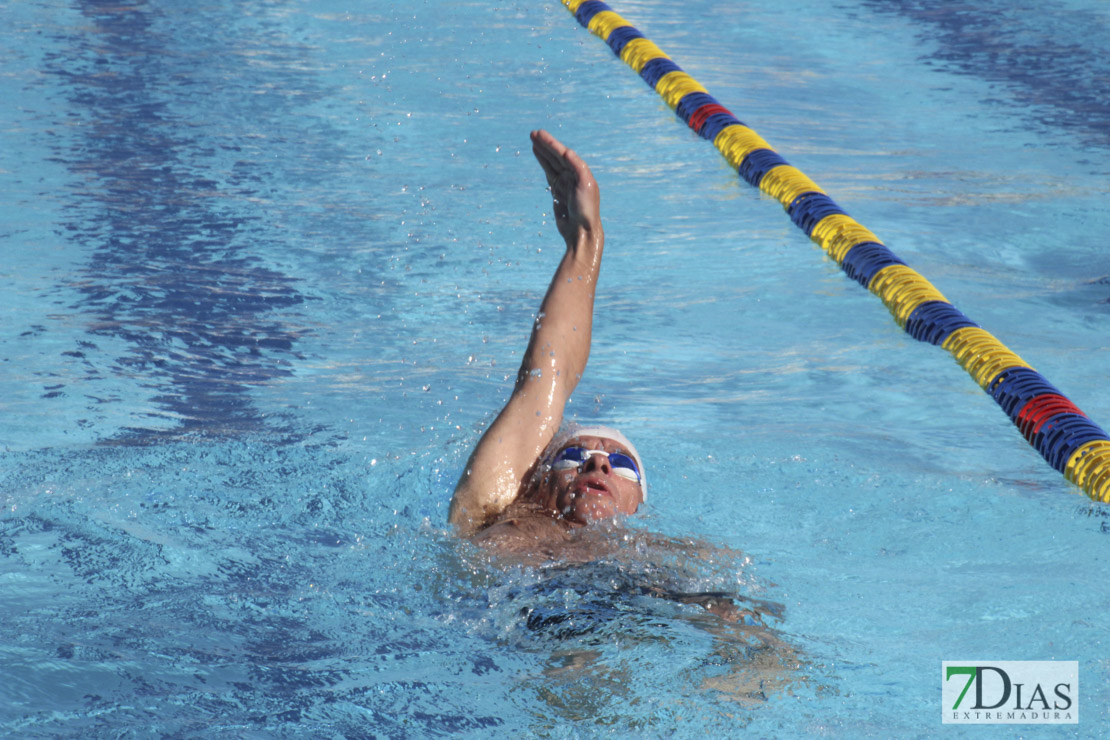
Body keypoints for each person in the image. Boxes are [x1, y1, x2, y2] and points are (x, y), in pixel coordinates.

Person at [449, 129, 647, 552]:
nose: (598, 463)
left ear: (639, 508)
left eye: (623, 464)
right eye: (571, 457)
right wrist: (585, 242)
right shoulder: (492, 519)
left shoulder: (669, 561)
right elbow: (544, 382)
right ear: (532, 486)